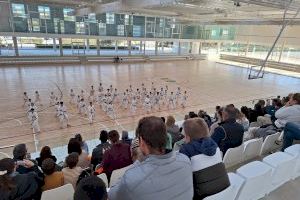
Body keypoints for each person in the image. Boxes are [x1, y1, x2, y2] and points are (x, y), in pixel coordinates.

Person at [108, 116, 193, 200]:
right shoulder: (185, 160)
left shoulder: (131, 179)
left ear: (142, 142)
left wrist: (138, 162)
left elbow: (111, 195)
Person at [179, 118, 230, 199]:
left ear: (187, 137)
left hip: (203, 194)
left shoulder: (185, 149)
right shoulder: (214, 144)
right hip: (224, 187)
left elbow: (182, 174)